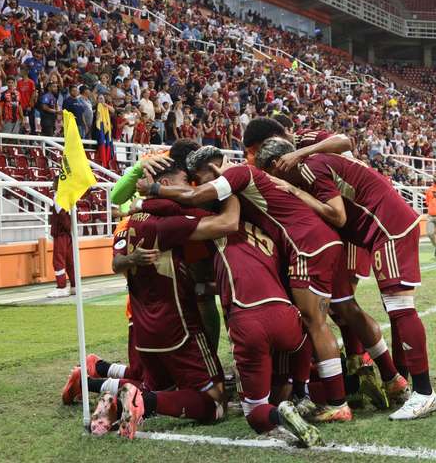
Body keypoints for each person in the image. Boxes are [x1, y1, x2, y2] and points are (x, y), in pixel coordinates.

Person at [137, 153, 353, 422]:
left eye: (196, 180)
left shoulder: (227, 197)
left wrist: (149, 193)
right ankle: (308, 392)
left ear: (215, 171)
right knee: (316, 326)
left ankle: (315, 405)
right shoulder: (257, 218)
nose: (194, 186)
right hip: (290, 310)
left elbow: (198, 205)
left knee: (253, 408)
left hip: (248, 314)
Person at [256, 140, 436, 421]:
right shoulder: (313, 161)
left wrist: (294, 191)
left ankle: (424, 392)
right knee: (392, 309)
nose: (273, 181)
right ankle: (401, 383)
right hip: (382, 228)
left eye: (270, 174)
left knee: (401, 309)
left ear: (277, 164)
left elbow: (338, 216)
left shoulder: (308, 169)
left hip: (387, 228)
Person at [64, 163, 236, 437]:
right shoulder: (169, 223)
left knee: (156, 384)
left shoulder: (128, 222)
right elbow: (228, 223)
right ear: (165, 185)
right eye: (184, 181)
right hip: (178, 327)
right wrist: (232, 188)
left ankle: (112, 400)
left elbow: (116, 263)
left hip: (143, 329)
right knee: (216, 401)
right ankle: (141, 401)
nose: (190, 187)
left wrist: (131, 258)